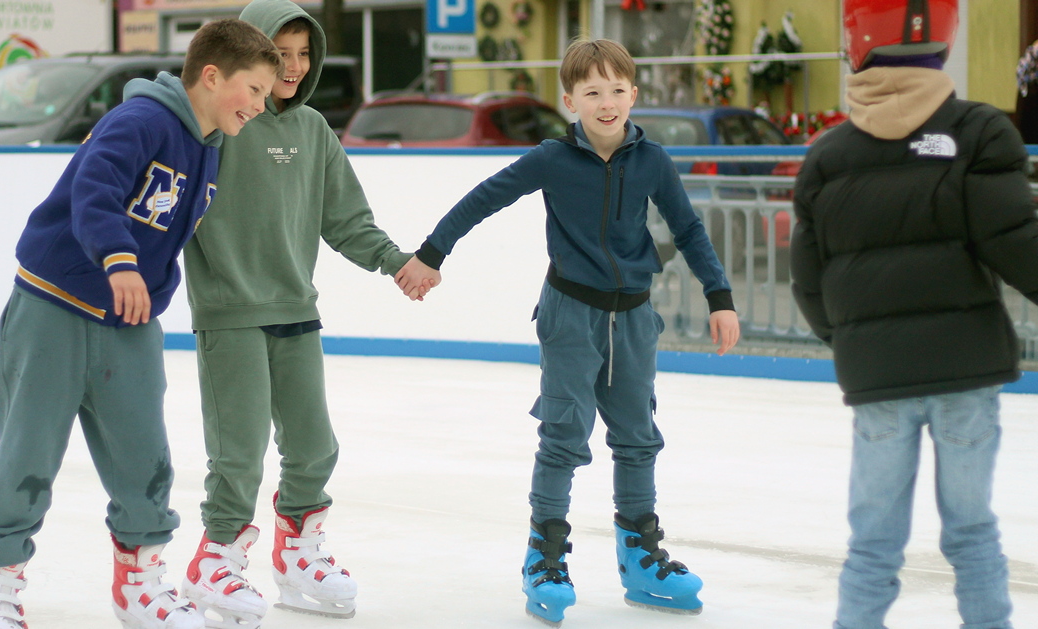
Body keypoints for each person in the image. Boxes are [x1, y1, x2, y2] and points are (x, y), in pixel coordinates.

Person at [395, 38, 739, 626]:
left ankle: (641, 557)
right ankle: (545, 558)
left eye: (615, 91)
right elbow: (483, 199)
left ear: (633, 93)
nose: (606, 103)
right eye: (591, 93)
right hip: (570, 315)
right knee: (563, 436)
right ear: (570, 100)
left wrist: (720, 296)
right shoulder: (552, 158)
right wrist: (431, 254)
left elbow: (688, 228)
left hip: (633, 317)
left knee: (637, 437)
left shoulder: (651, 160)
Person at [0, 19, 282, 629]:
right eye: (255, 89)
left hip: (130, 323)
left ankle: (138, 583)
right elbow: (95, 189)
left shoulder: (210, 149)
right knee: (27, 453)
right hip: (55, 306)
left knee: (145, 455)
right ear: (212, 77)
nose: (261, 105)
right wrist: (120, 261)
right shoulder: (142, 122)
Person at [178, 0, 431, 625]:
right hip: (230, 311)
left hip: (296, 308)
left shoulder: (314, 129)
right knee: (238, 452)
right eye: (280, 53)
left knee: (314, 446)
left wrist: (393, 260)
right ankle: (217, 559)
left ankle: (297, 554)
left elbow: (345, 218)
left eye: (302, 53)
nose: (293, 66)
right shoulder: (218, 124)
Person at [789, 2, 1038, 628]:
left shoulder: (828, 157)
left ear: (856, 42)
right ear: (944, 39)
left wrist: (853, 341)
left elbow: (808, 281)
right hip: (966, 374)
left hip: (878, 382)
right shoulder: (977, 132)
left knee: (873, 544)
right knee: (972, 533)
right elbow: (1018, 243)